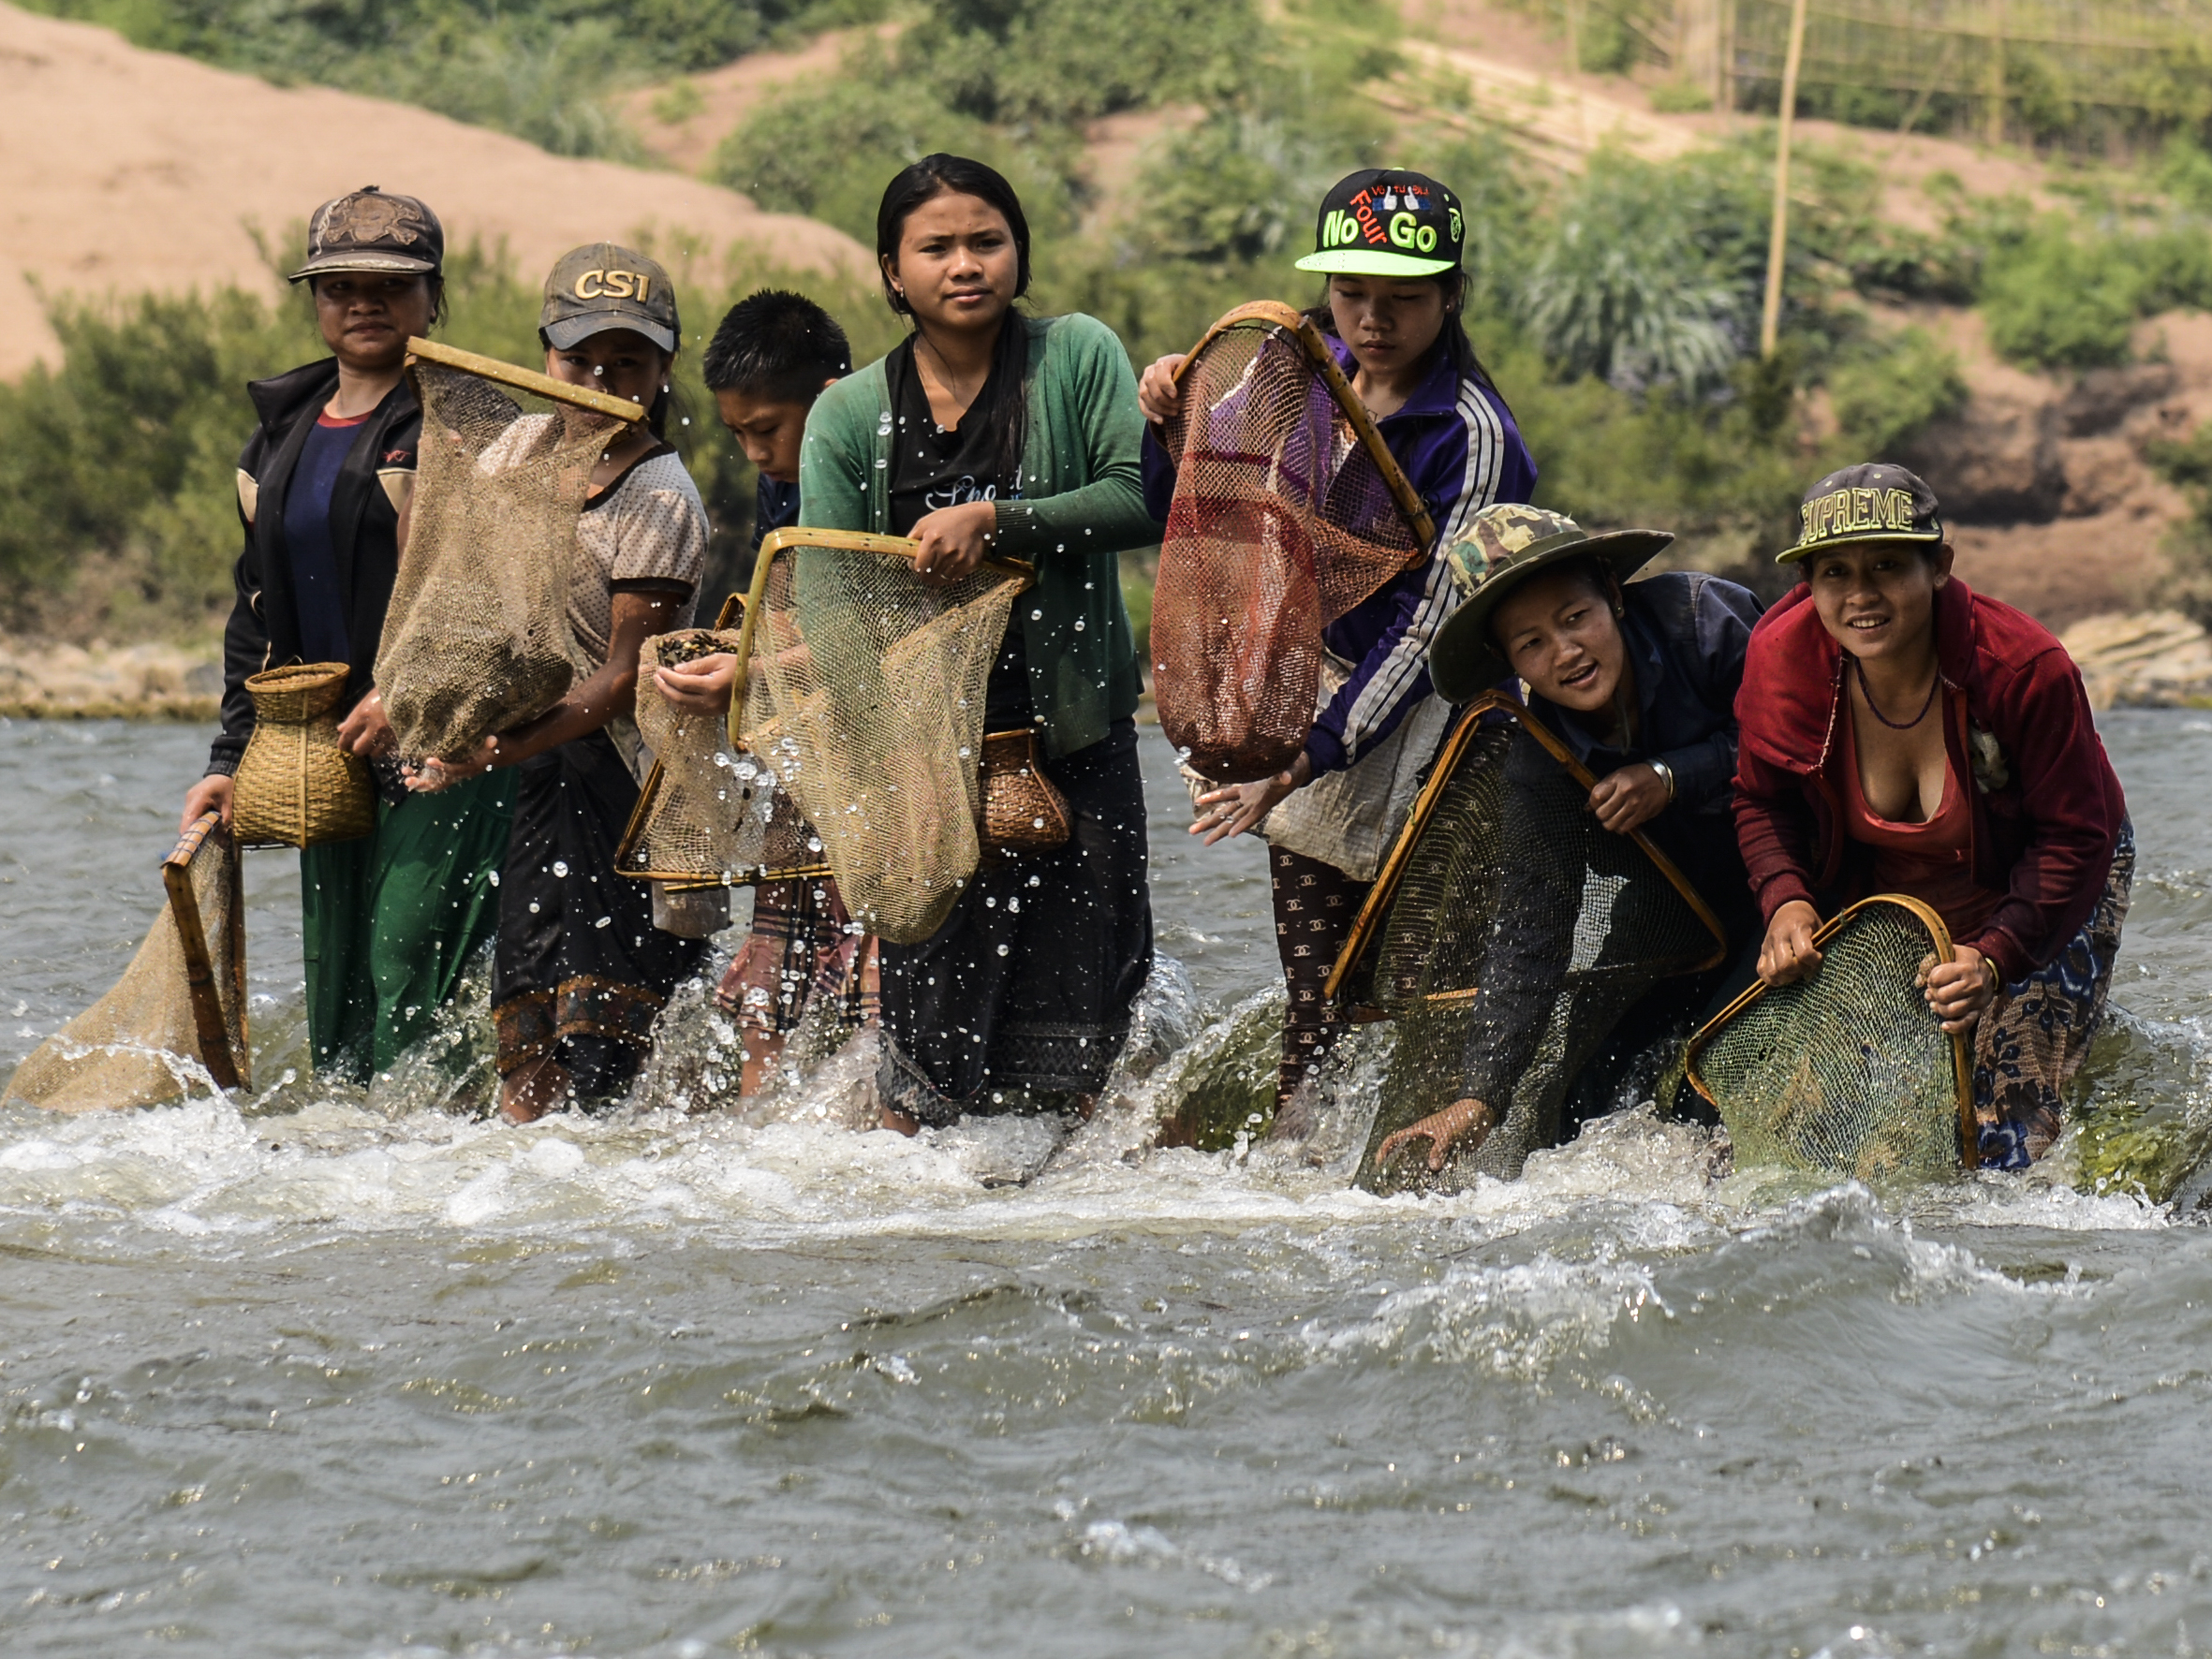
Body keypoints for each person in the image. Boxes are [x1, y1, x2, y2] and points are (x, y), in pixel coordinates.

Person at [1136, 169, 1538, 1111]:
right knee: (1315, 994)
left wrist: (1311, 755)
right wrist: (1164, 424)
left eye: (1402, 300)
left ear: (1449, 294)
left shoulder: (1471, 434)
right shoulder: (1296, 377)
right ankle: (1302, 1152)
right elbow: (1197, 514)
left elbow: (1434, 624)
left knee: (1427, 983)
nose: (1371, 320)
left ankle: (1436, 1152)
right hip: (1313, 695)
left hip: (1441, 727)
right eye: (1350, 294)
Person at [797, 154, 1157, 1129]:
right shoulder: (846, 414)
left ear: (1019, 253)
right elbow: (831, 605)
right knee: (933, 1024)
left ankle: (1070, 1199)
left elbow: (1139, 499)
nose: (966, 264)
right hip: (928, 758)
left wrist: (997, 519)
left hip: (1076, 737)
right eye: (937, 246)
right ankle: (927, 1196)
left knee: (1088, 1011)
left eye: (986, 241)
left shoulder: (1078, 355)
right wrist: (883, 760)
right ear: (891, 271)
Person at [181, 186, 515, 1085]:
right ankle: (347, 1185)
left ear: (432, 298)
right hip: (324, 752)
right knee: (338, 991)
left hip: (443, 739)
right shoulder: (278, 435)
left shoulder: (473, 422)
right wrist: (230, 754)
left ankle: (442, 1184)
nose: (362, 302)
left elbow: (490, 597)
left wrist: (404, 691)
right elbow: (255, 611)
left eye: (389, 285)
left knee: (412, 969)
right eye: (339, 286)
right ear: (315, 303)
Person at [1732, 463, 2131, 1168]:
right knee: (1818, 1127)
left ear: (1939, 566)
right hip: (1897, 891)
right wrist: (1786, 903)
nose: (1861, 596)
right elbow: (1760, 800)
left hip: (2053, 872)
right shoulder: (1779, 660)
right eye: (1834, 574)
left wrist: (1994, 957)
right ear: (1808, 585)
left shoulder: (2023, 668)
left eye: (1887, 566)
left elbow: (2076, 836)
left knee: (2007, 1148)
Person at [411, 243, 711, 1122]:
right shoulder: (521, 447)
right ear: (546, 354)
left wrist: (492, 751)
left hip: (627, 774)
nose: (602, 379)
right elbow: (467, 589)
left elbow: (621, 680)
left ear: (662, 371)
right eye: (580, 359)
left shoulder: (660, 498)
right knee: (529, 1000)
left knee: (613, 1012)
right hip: (545, 761)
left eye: (629, 363)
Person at [1375, 505, 1764, 1173]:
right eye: (1531, 644)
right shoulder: (1541, 758)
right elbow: (1532, 929)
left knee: (1718, 1068)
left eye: (1575, 618)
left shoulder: (1706, 622)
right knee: (1581, 1096)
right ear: (1508, 661)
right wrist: (1480, 1097)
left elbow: (1807, 740)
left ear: (1612, 596)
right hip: (1671, 913)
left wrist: (1672, 777)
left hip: (1794, 886)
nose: (1566, 654)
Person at [655, 289, 874, 1095]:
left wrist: (754, 672)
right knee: (767, 998)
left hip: (880, 773)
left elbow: (887, 629)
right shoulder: (781, 484)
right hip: (803, 766)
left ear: (827, 401)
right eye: (737, 434)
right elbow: (777, 614)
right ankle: (759, 1136)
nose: (751, 451)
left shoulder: (882, 469)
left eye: (765, 431)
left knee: (872, 989)